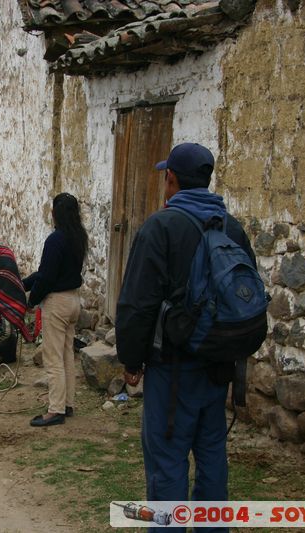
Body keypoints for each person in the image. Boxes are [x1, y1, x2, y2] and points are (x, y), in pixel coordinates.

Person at [115, 143, 256, 522]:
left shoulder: (160, 226)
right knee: (212, 457)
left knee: (167, 461)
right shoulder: (232, 227)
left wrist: (131, 360)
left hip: (172, 370)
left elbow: (137, 303)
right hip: (218, 366)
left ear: (171, 179)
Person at [22, 192, 88, 427]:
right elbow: (47, 274)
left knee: (52, 357)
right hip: (73, 301)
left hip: (57, 303)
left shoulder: (55, 240)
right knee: (66, 354)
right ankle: (67, 403)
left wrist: (31, 300)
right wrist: (25, 284)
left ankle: (55, 410)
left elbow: (47, 277)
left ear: (55, 213)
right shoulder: (78, 237)